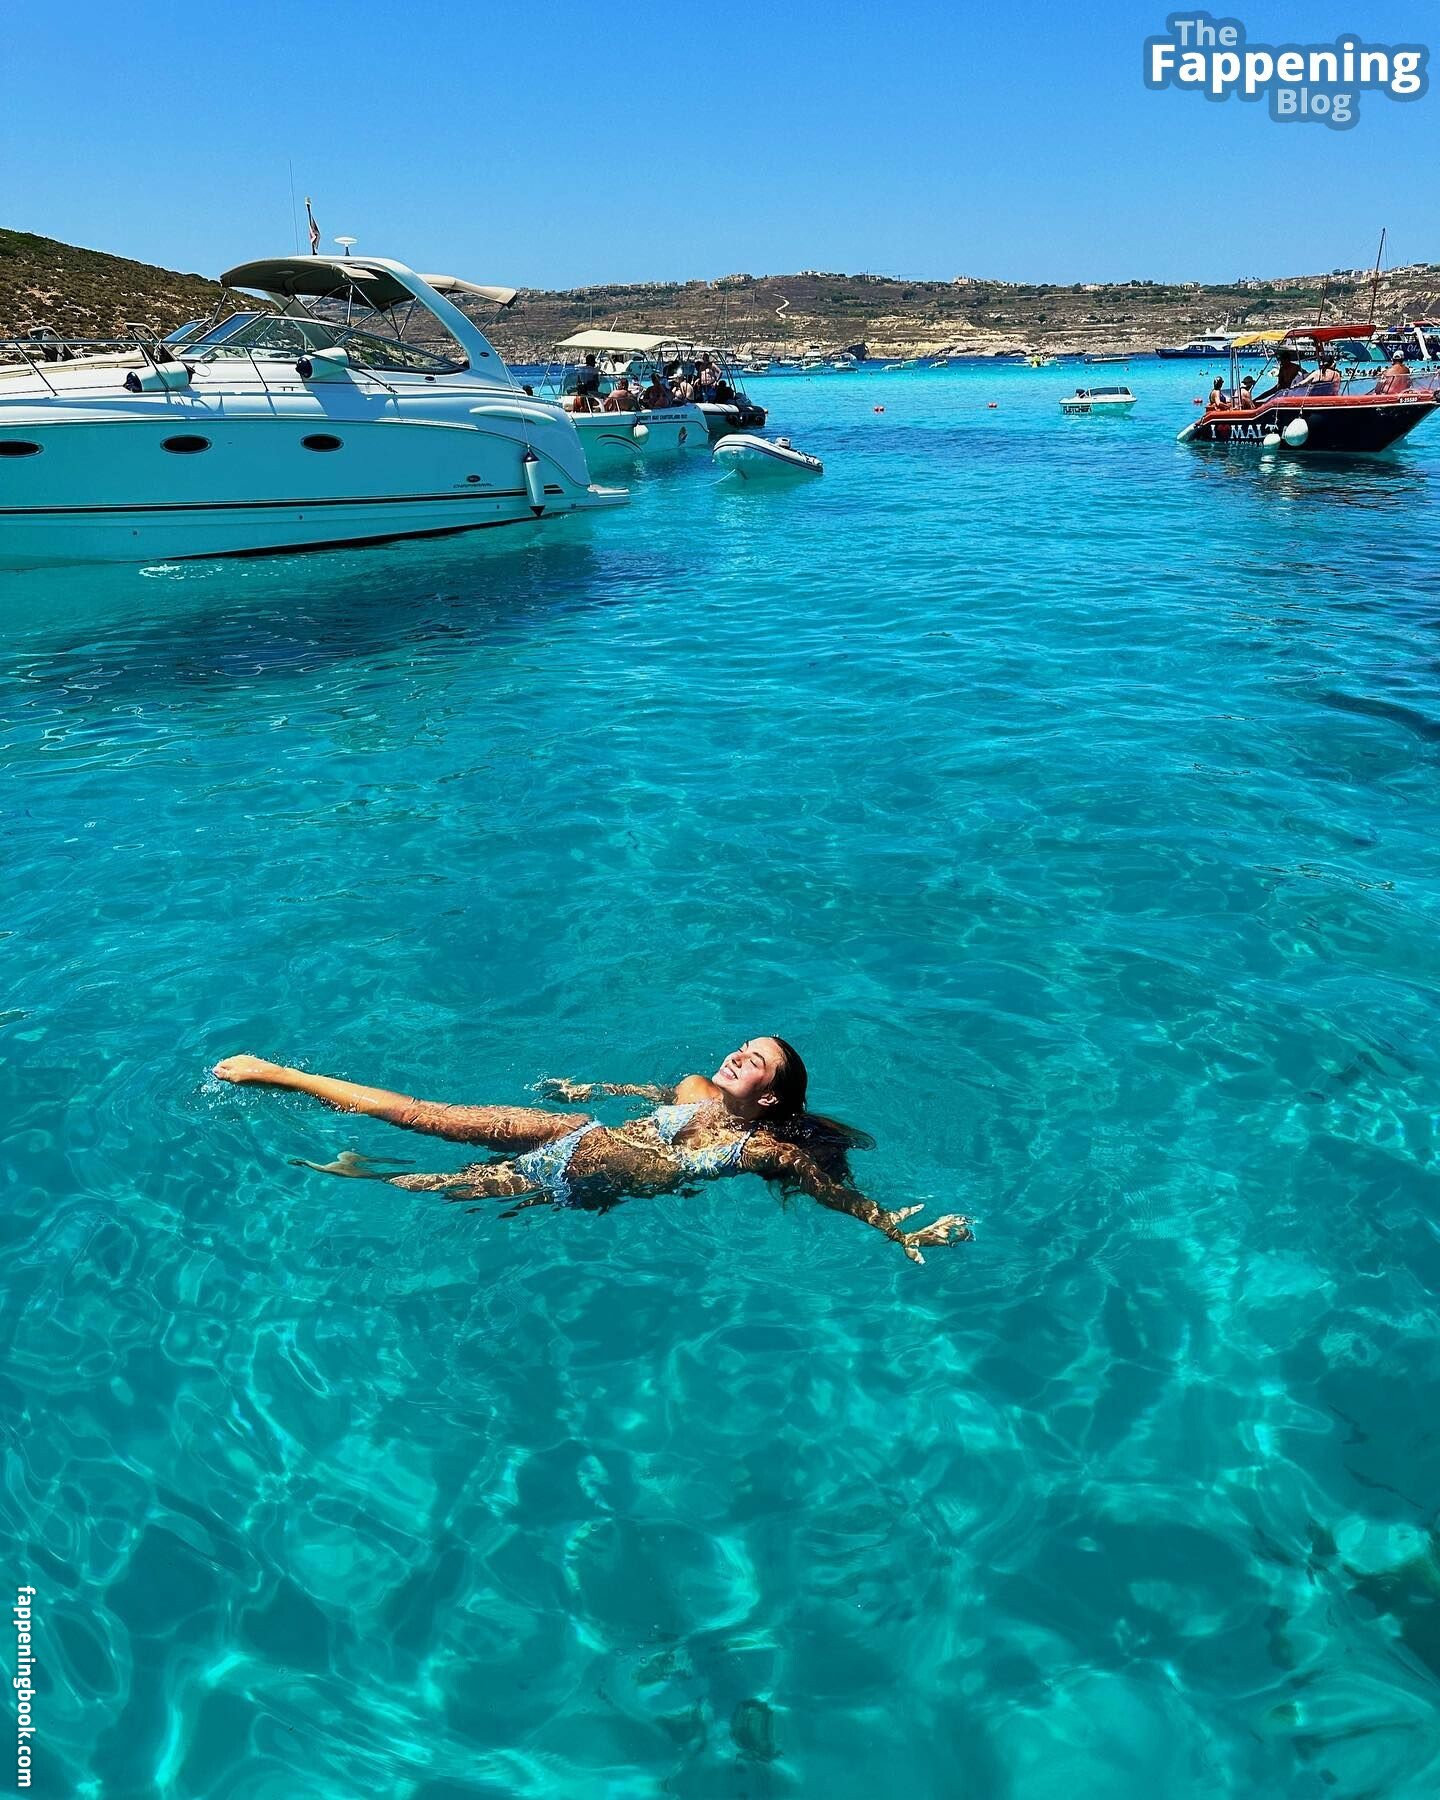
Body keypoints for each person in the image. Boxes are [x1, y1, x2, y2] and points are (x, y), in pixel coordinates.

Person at [211, 1036, 970, 1265]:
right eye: (744, 1046)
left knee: (448, 1186)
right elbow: (652, 1096)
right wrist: (592, 1090)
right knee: (427, 1117)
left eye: (757, 1061)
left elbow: (833, 1191)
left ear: (772, 1096)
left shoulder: (766, 1147)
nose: (740, 1054)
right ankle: (286, 1075)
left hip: (591, 1179)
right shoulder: (694, 1087)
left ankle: (362, 1173)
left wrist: (895, 1230)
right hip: (574, 1139)